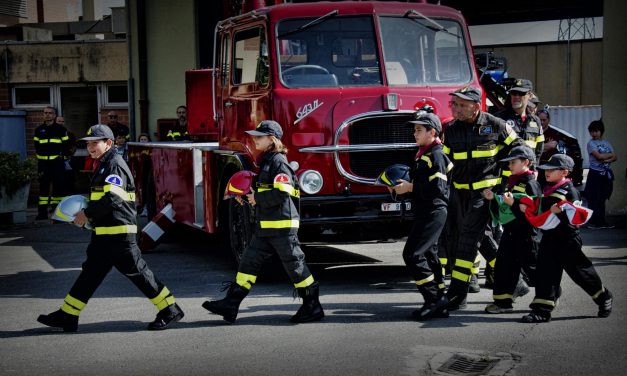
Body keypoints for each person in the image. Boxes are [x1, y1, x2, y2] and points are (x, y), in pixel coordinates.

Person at [37, 124, 184, 332]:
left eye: (94, 143)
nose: (90, 148)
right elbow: (104, 198)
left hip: (118, 235)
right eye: (88, 144)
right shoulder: (104, 164)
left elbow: (113, 198)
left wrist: (86, 214)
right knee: (90, 274)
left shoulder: (114, 164)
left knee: (138, 273)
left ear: (108, 143)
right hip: (105, 233)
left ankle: (170, 309)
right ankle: (68, 314)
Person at [202, 120, 324, 324]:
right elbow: (268, 191)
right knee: (248, 263)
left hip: (282, 227)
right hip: (266, 227)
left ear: (271, 139)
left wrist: (257, 198)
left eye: (259, 136)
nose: (254, 139)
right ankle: (231, 304)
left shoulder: (278, 162)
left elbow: (283, 194)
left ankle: (312, 306)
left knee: (295, 266)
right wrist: (249, 196)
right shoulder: (267, 161)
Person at [439, 86, 521, 311]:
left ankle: (457, 295)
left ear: (476, 107)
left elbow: (520, 151)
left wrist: (504, 184)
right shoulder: (451, 129)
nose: (456, 108)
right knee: (480, 239)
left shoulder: (496, 125)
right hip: (460, 194)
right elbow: (444, 161)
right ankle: (517, 283)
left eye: (462, 105)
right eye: (454, 104)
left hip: (485, 195)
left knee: (466, 242)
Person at [520, 154, 612, 323]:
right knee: (545, 273)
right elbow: (541, 206)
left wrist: (559, 212)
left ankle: (603, 296)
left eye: (552, 170)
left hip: (567, 240)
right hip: (549, 238)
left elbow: (575, 217)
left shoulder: (570, 191)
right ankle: (542, 310)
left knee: (581, 273)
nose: (547, 173)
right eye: (546, 169)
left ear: (564, 172)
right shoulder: (548, 188)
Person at [390, 110, 451, 320]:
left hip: (434, 211)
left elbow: (439, 188)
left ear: (432, 132)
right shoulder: (424, 154)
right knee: (430, 254)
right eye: (414, 130)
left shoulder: (436, 155)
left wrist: (410, 188)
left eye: (418, 130)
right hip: (426, 210)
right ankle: (439, 299)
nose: (414, 134)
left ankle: (434, 299)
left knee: (413, 254)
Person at [482, 146, 541, 314]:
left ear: (526, 163)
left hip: (526, 234)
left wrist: (514, 204)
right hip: (510, 232)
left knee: (533, 268)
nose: (509, 166)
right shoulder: (513, 181)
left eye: (513, 162)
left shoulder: (531, 183)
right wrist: (494, 197)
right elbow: (508, 202)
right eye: (509, 163)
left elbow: (535, 208)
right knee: (503, 267)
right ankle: (503, 303)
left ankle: (550, 294)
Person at [33, 106, 71, 220]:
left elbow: (66, 145)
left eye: (50, 113)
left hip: (56, 163)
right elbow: (36, 146)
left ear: (54, 116)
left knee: (58, 188)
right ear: (43, 115)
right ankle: (42, 213)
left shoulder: (60, 129)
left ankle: (56, 212)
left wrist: (62, 158)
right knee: (43, 187)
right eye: (45, 113)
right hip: (43, 164)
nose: (47, 115)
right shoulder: (39, 130)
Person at [584, 120, 617, 229]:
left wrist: (606, 159)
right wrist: (608, 157)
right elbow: (599, 157)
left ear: (601, 131)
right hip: (595, 174)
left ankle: (601, 222)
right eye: (592, 132)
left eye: (596, 131)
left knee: (602, 198)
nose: (594, 134)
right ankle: (593, 222)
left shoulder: (606, 143)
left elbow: (615, 157)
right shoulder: (591, 143)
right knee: (594, 198)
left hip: (606, 174)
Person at [537, 109, 584, 186]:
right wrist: (545, 146)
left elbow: (552, 146)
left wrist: (537, 148)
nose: (542, 122)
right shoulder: (533, 132)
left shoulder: (554, 132)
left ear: (548, 120)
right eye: (540, 120)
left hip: (549, 166)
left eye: (544, 120)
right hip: (537, 165)